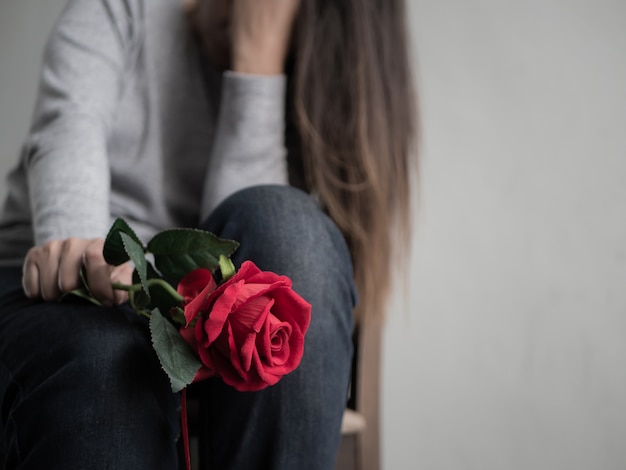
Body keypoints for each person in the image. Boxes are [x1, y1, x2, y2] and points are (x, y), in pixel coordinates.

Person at [0, 0, 416, 468]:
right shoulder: (126, 10)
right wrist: (81, 249)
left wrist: (256, 67)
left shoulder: (308, 91)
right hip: (47, 286)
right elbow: (69, 130)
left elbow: (248, 260)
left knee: (289, 228)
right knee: (106, 361)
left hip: (198, 318)